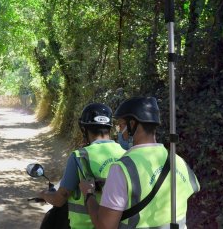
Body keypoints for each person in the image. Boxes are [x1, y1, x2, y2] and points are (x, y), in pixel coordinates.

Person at [78, 97, 200, 229]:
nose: (120, 131)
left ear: (132, 124)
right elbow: (193, 189)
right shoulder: (178, 160)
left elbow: (105, 226)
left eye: (121, 125)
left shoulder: (122, 168)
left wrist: (89, 194)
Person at [38, 103, 127, 229]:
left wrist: (44, 194)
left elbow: (60, 199)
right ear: (110, 128)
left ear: (84, 129)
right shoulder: (126, 154)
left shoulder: (79, 156)